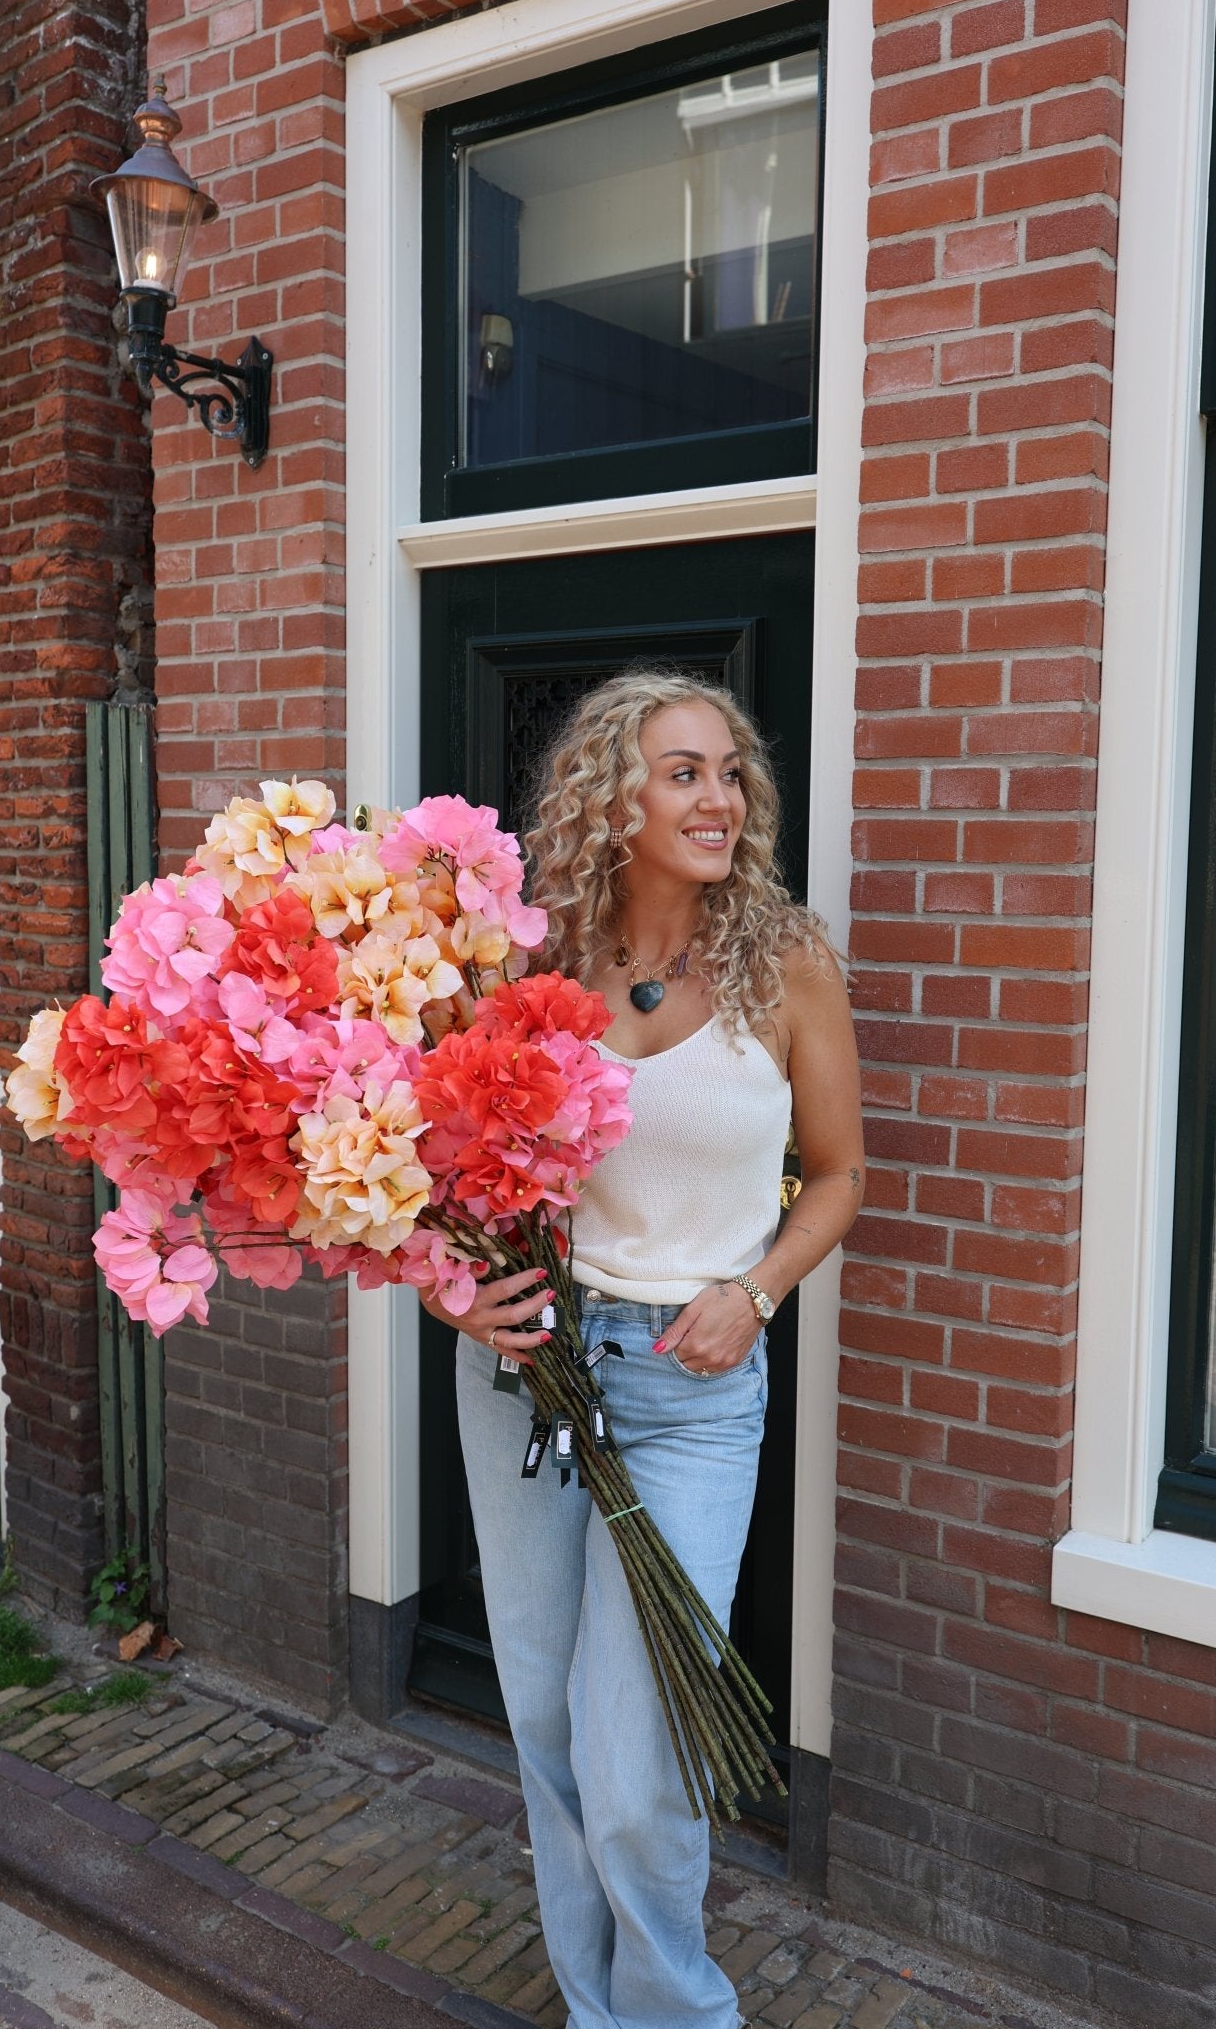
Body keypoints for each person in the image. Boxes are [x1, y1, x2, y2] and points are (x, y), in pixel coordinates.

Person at [424, 673, 864, 2029]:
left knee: (642, 1758)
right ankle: (598, 2007)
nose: (719, 798)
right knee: (550, 1734)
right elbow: (436, 1169)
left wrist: (759, 1288)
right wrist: (452, 1290)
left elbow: (841, 1175)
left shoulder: (785, 958)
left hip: (691, 1385)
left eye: (728, 772)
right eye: (682, 772)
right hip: (527, 1377)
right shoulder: (525, 962)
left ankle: (678, 2015)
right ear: (611, 796)